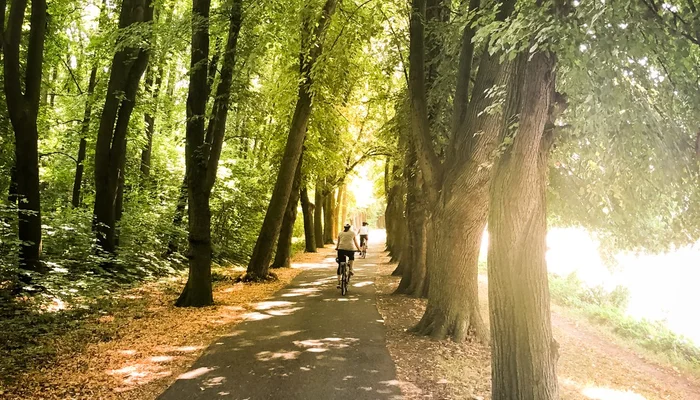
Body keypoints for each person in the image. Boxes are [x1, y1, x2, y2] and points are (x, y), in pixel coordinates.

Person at [335, 223, 361, 288]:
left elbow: (338, 242)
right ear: (349, 228)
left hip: (341, 249)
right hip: (350, 249)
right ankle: (351, 269)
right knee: (351, 258)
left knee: (340, 264)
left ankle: (338, 283)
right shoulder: (352, 233)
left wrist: (337, 248)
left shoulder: (340, 233)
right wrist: (358, 249)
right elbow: (355, 242)